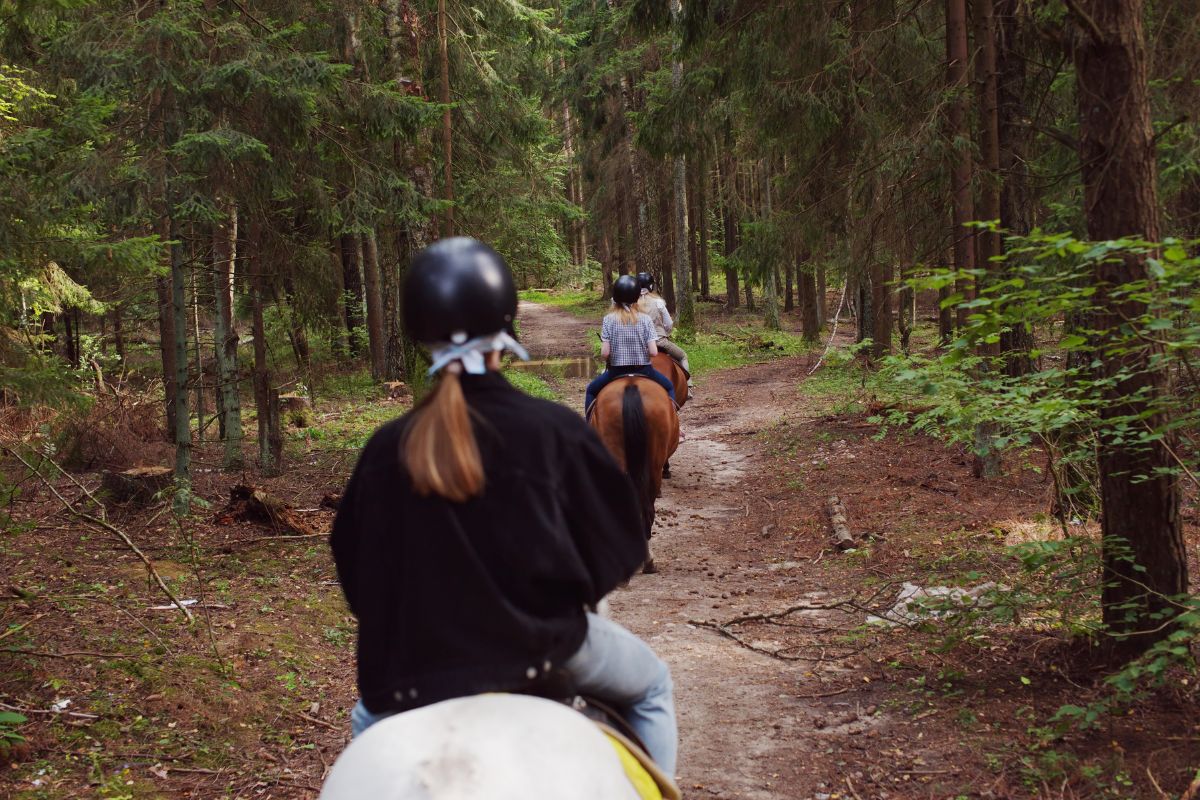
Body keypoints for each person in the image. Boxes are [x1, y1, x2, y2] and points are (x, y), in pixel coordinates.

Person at [329, 237, 678, 777]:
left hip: (411, 666)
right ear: (506, 322)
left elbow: (358, 578)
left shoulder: (384, 450)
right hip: (542, 650)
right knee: (653, 687)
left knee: (362, 741)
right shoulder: (554, 431)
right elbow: (621, 546)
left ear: (419, 333)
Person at [584, 274, 676, 417]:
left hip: (616, 371)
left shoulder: (608, 319)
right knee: (670, 387)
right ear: (636, 297)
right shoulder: (645, 319)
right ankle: (674, 424)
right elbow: (653, 352)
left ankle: (588, 429)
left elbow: (605, 353)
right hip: (644, 370)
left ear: (616, 297)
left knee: (590, 390)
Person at [636, 272, 691, 385]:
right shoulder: (658, 302)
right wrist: (666, 332)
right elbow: (669, 323)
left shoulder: (631, 303)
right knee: (683, 356)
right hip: (659, 341)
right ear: (651, 286)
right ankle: (688, 385)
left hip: (639, 343)